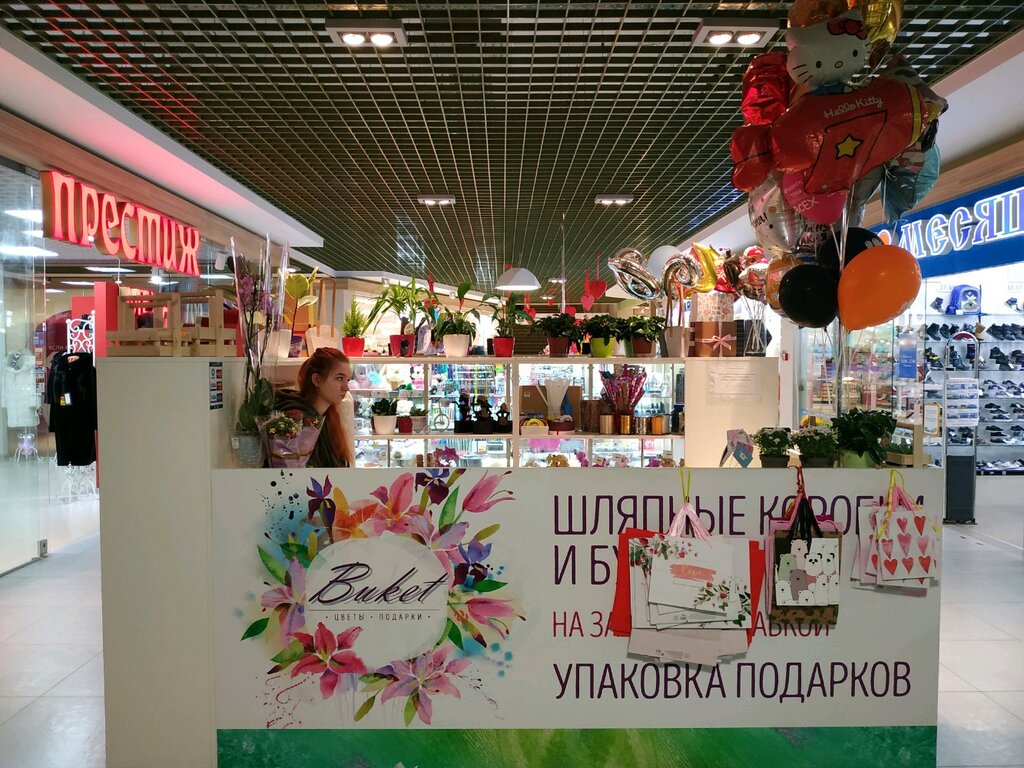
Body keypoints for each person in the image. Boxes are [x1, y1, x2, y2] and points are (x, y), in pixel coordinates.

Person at [273, 347, 354, 467]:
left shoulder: (328, 417)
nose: (346, 388)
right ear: (316, 380)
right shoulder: (296, 420)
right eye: (339, 378)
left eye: (347, 380)